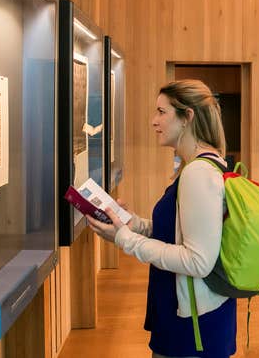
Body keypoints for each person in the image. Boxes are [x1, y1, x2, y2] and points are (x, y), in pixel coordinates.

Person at [86, 79, 236, 358]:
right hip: (186, 311)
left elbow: (198, 261)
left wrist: (124, 239)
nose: (153, 121)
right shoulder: (197, 165)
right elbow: (180, 231)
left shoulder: (198, 173)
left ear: (187, 117)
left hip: (193, 326)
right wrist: (134, 225)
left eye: (161, 112)